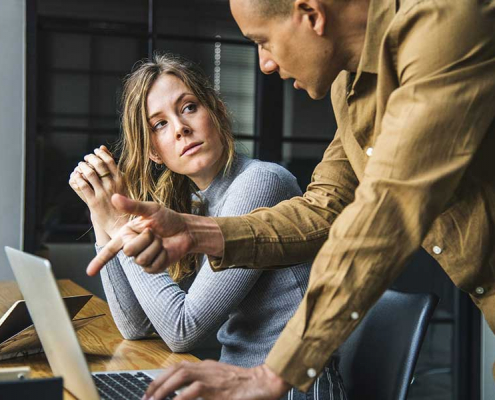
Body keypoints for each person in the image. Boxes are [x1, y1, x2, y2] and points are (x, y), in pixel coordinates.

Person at [88, 0, 495, 399]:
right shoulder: (349, 86)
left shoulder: (445, 28)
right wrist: (198, 231)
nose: (264, 62)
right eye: (159, 124)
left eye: (263, 40)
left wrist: (276, 372)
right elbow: (324, 207)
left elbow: (386, 210)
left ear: (311, 15)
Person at [69, 53, 347, 400]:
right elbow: (135, 326)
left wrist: (121, 223)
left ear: (217, 111)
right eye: (160, 124)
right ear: (155, 152)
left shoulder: (261, 182)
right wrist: (101, 214)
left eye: (188, 108)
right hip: (236, 388)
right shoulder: (198, 203)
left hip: (292, 391)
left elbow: (182, 330)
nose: (181, 128)